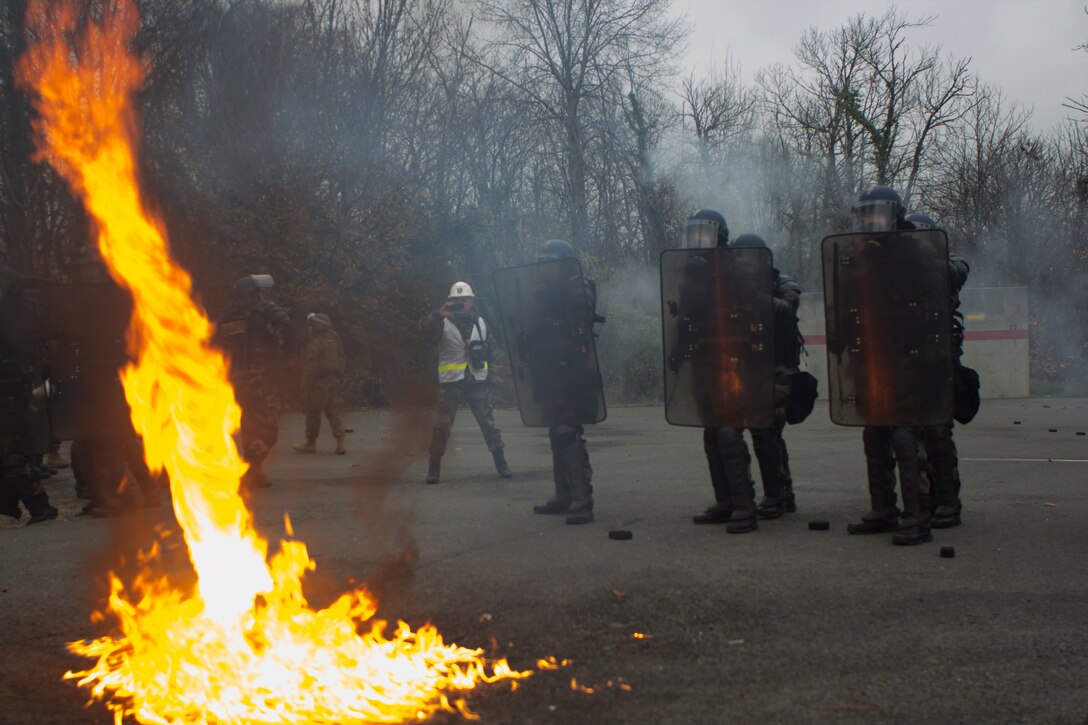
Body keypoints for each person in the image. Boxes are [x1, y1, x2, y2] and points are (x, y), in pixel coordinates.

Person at [845, 186, 932, 545]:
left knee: (904, 435)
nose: (870, 221)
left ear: (895, 215)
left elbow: (936, 282)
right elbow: (848, 300)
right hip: (873, 357)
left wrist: (896, 256)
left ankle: (917, 517)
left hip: (909, 356)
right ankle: (883, 509)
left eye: (877, 214)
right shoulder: (860, 255)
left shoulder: (915, 249)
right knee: (875, 433)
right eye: (865, 215)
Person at [731, 234, 803, 520]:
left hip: (780, 368)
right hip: (748, 368)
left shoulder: (782, 283)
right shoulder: (731, 288)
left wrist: (754, 296)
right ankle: (782, 493)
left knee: (767, 428)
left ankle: (778, 495)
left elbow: (787, 309)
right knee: (756, 430)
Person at [528, 240, 600, 524]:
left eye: (550, 264)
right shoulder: (546, 292)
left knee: (567, 432)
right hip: (552, 372)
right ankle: (564, 495)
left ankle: (583, 500)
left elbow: (578, 325)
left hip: (575, 374)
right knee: (555, 432)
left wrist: (549, 325)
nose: (544, 270)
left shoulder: (579, 288)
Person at [907, 212, 970, 529]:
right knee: (909, 437)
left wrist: (924, 253)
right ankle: (922, 501)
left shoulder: (950, 262)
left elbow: (954, 273)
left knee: (938, 433)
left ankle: (948, 501)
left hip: (939, 362)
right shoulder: (899, 268)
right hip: (906, 362)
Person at [419, 281, 512, 485]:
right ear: (450, 301)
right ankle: (433, 468)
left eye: (465, 299)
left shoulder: (481, 323)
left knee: (488, 425)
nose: (461, 303)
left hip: (476, 382)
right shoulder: (441, 322)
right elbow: (424, 333)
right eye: (456, 300)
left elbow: (494, 352)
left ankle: (501, 462)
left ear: (472, 300)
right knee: (442, 426)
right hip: (451, 384)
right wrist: (437, 314)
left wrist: (494, 378)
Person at [216, 274, 289, 490]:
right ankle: (250, 466)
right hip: (261, 378)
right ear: (255, 294)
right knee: (269, 428)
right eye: (261, 292)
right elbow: (290, 328)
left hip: (235, 380)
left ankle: (255, 474)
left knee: (249, 425)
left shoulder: (228, 319)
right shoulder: (263, 311)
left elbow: (216, 347)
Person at [0, 269, 58, 525]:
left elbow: (21, 354)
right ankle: (12, 509)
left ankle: (41, 508)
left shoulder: (15, 316)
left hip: (9, 394)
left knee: (12, 457)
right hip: (12, 391)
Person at [292, 313, 347, 455]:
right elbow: (342, 357)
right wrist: (339, 377)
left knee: (313, 413)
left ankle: (310, 443)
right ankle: (341, 442)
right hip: (334, 380)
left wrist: (303, 391)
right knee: (333, 411)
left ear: (315, 328)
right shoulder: (334, 339)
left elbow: (310, 370)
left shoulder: (314, 346)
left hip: (319, 383)